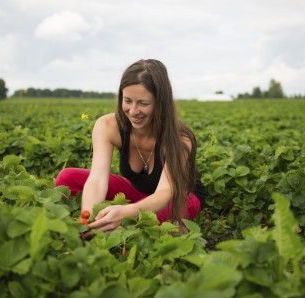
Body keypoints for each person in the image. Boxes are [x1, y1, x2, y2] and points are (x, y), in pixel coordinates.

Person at [55, 59, 206, 233]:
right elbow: (97, 179)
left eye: (143, 103)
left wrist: (127, 212)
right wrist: (88, 218)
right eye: (127, 101)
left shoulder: (179, 139)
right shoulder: (108, 125)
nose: (133, 111)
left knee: (158, 222)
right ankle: (113, 221)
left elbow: (165, 192)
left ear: (160, 103)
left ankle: (166, 225)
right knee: (68, 178)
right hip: (137, 195)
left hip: (178, 198)